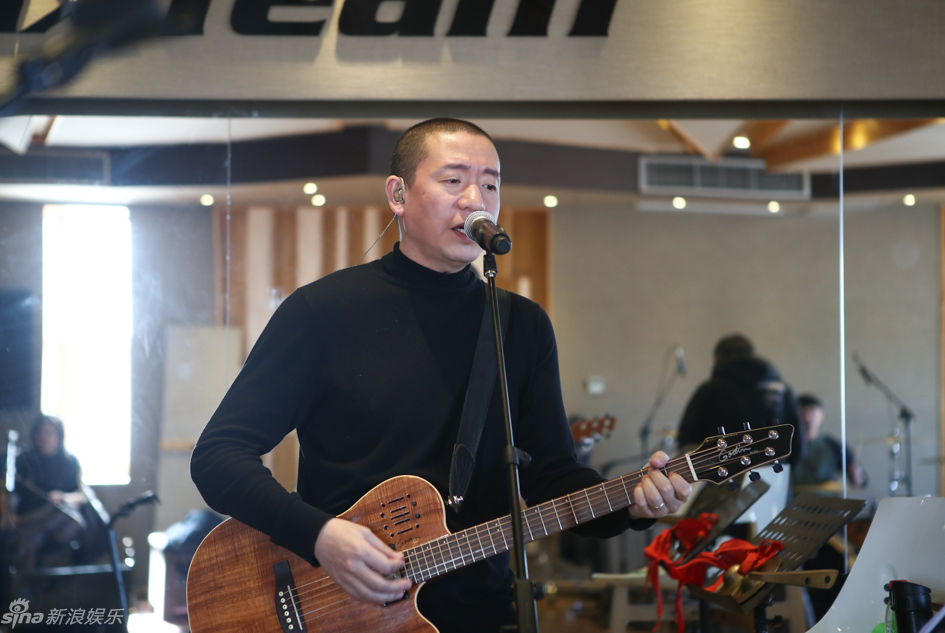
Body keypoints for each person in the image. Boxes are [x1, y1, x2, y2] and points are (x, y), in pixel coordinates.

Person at [191, 118, 691, 632]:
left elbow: (553, 479)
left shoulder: (521, 325)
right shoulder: (322, 312)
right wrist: (318, 536)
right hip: (338, 613)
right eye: (453, 180)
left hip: (483, 614)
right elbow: (218, 456)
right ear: (398, 195)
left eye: (490, 185)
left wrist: (633, 504)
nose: (475, 200)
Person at [676, 334, 805, 465]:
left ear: (718, 357)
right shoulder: (781, 390)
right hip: (774, 469)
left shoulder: (710, 389)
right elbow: (797, 444)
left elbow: (687, 441)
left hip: (722, 471)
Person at [8, 414, 107, 569]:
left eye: (48, 433)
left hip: (62, 519)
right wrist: (9, 514)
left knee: (66, 518)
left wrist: (62, 497)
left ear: (58, 436)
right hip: (31, 517)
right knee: (32, 535)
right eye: (40, 432)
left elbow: (82, 495)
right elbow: (12, 492)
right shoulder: (24, 459)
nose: (43, 437)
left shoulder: (70, 462)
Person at [791, 393, 867, 491]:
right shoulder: (785, 445)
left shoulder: (834, 446)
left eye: (812, 412)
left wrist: (856, 475)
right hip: (792, 498)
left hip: (825, 499)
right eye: (803, 412)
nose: (807, 418)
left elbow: (861, 481)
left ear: (821, 415)